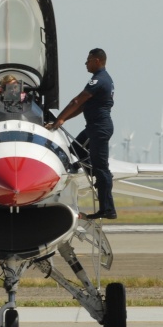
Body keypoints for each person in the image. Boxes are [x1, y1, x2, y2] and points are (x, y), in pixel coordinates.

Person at [44, 48, 115, 219]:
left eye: (88, 60)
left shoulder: (99, 80)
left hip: (99, 128)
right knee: (76, 149)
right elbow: (83, 106)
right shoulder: (100, 79)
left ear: (97, 61)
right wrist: (64, 120)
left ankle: (108, 209)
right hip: (94, 127)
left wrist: (58, 120)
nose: (86, 63)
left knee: (101, 167)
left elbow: (77, 101)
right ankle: (96, 175)